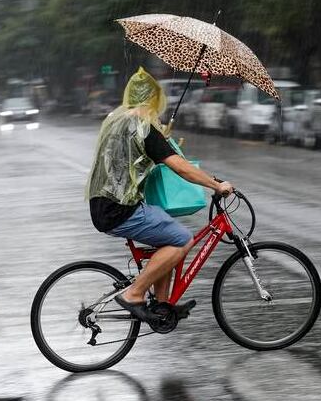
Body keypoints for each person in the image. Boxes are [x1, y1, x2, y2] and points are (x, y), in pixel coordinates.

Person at [85, 67, 233, 323]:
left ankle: (162, 306)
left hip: (103, 204)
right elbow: (180, 167)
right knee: (181, 239)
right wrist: (215, 185)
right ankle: (135, 294)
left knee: (167, 234)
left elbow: (131, 159)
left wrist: (161, 142)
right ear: (153, 100)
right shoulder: (143, 128)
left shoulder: (117, 121)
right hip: (120, 209)